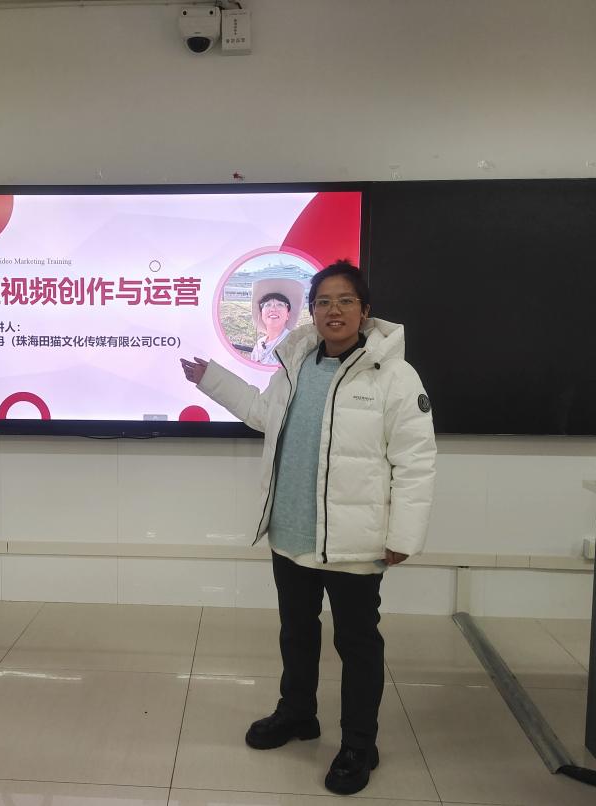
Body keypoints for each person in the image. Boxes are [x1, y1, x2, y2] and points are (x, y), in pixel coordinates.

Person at [179, 260, 436, 796]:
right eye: (323, 302)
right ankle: (297, 713)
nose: (333, 310)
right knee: (296, 632)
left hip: (354, 542)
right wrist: (211, 380)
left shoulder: (394, 376)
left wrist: (403, 536)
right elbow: (261, 414)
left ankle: (359, 743)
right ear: (312, 312)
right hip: (291, 532)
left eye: (345, 301)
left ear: (365, 311)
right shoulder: (296, 364)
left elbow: (416, 460)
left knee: (357, 644)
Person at [247, 277, 304, 365]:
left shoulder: (295, 343)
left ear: (288, 315)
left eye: (280, 305)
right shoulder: (259, 344)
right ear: (261, 313)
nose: (273, 309)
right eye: (267, 304)